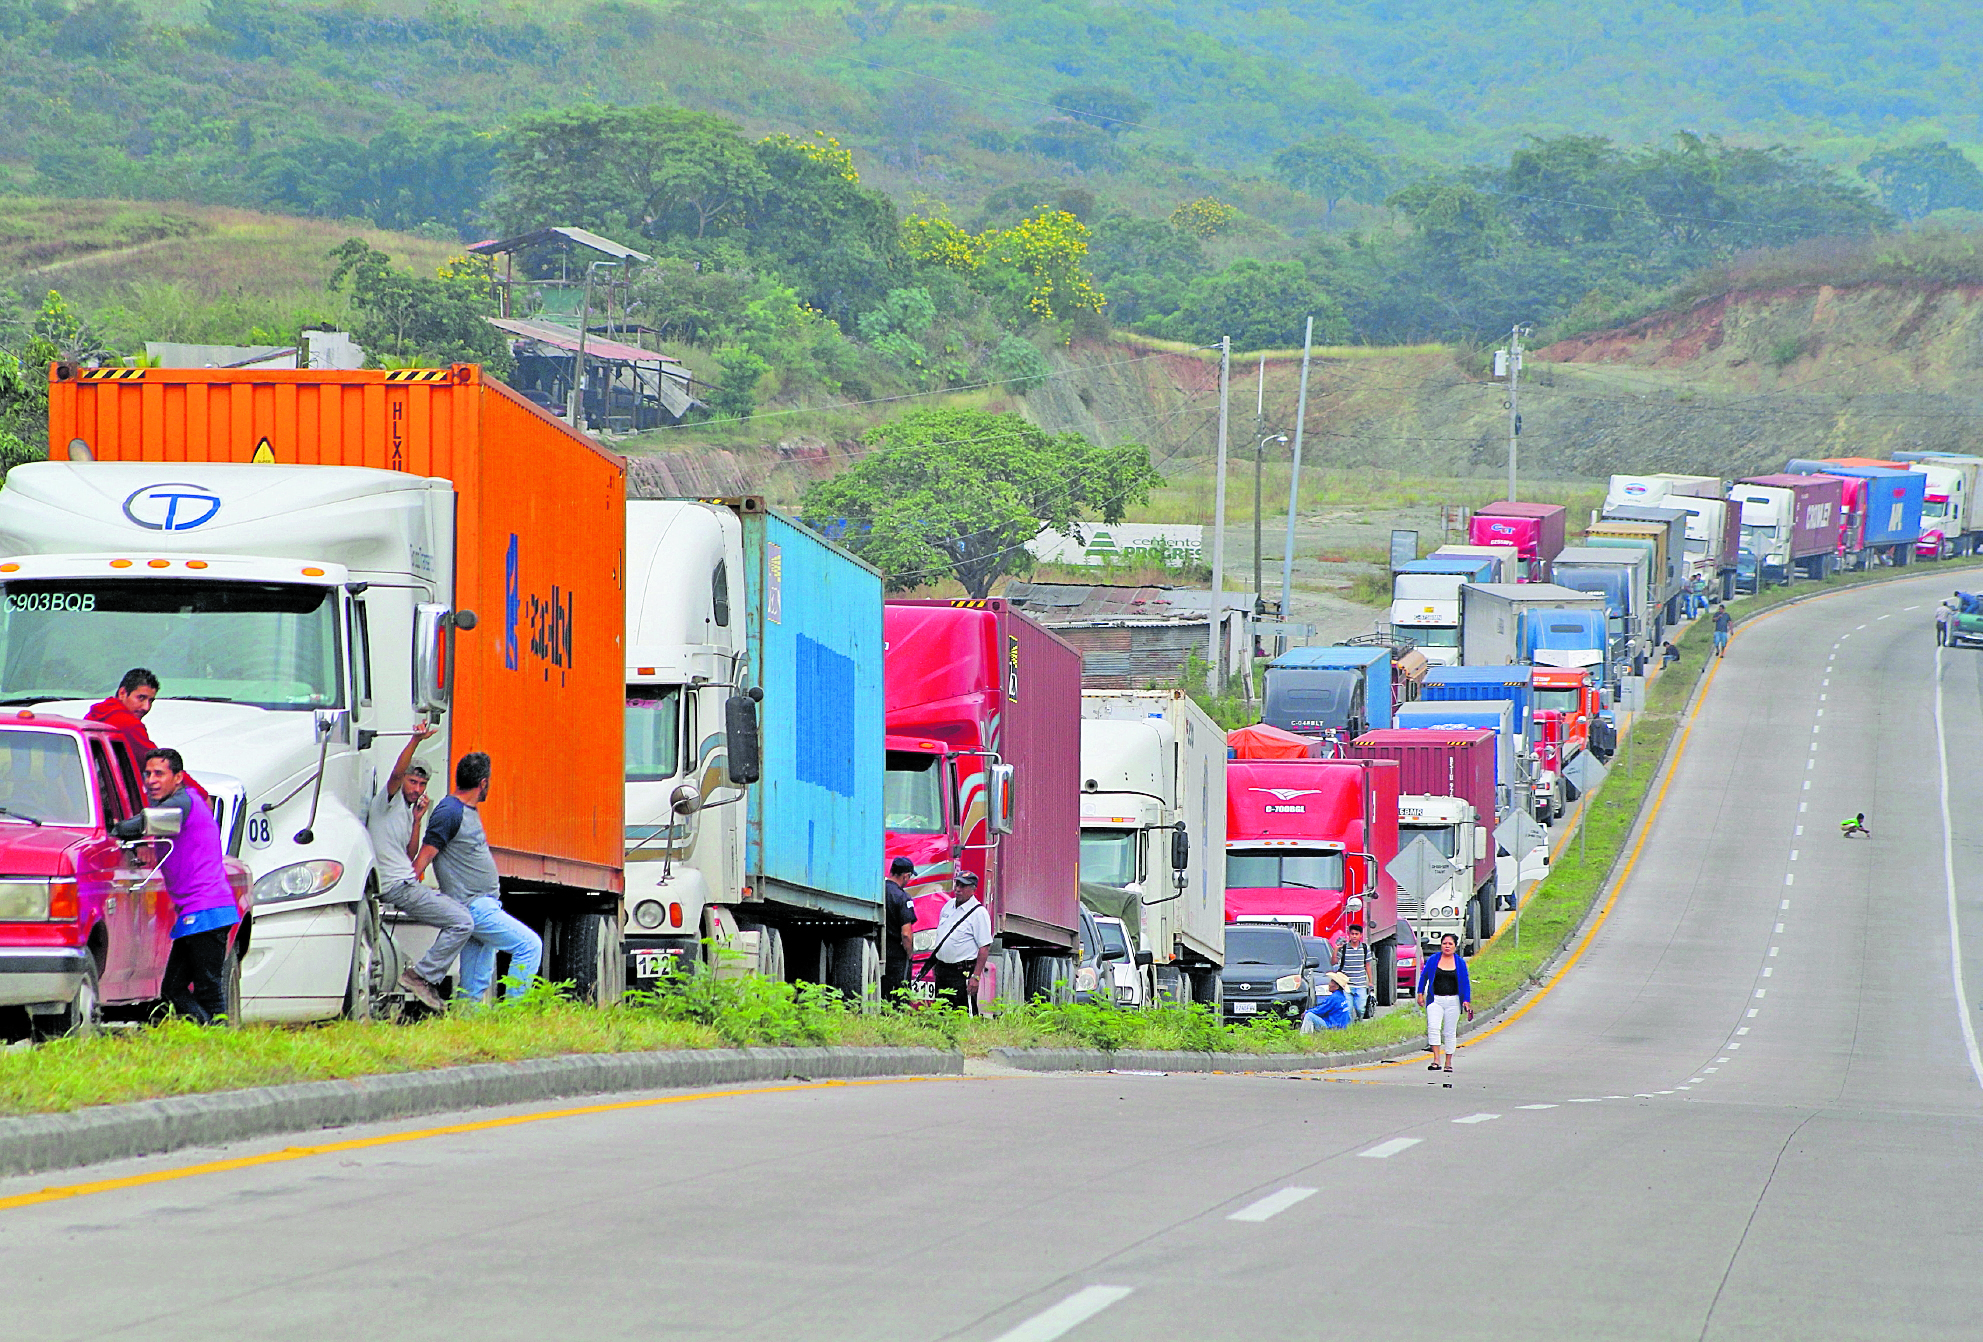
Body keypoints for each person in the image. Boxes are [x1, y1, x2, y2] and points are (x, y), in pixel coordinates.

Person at [414, 751, 542, 1004]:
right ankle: (514, 1017)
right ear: (483, 783)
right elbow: (424, 856)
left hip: (480, 905)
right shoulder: (450, 811)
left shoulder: (465, 810)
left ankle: (469, 1025)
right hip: (473, 905)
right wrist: (409, 892)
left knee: (475, 984)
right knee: (529, 946)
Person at [366, 721, 471, 1013]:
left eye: (422, 785)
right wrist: (416, 739)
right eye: (413, 782)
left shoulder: (406, 812)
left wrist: (418, 820)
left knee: (462, 917)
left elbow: (411, 855)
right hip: (395, 885)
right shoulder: (386, 801)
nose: (417, 789)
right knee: (462, 921)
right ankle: (421, 977)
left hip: (406, 882)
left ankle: (421, 975)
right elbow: (397, 773)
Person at [132, 748, 240, 1024]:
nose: (151, 780)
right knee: (173, 988)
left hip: (206, 909)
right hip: (200, 910)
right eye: (147, 774)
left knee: (207, 990)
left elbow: (144, 822)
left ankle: (217, 1038)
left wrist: (113, 828)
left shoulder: (179, 803)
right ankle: (209, 1035)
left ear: (178, 777)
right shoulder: (187, 799)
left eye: (159, 773)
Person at [87, 668, 202, 797]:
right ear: (122, 693)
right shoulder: (128, 725)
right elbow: (159, 764)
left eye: (151, 701)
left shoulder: (96, 714)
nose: (146, 707)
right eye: (141, 698)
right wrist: (201, 796)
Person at [922, 871, 992, 1011]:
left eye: (963, 886)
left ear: (973, 890)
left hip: (962, 971)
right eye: (957, 884)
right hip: (942, 969)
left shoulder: (978, 913)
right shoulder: (948, 906)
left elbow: (984, 948)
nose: (958, 889)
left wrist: (976, 977)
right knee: (941, 1010)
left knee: (963, 1010)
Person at [1415, 933, 1473, 1074]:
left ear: (1455, 946)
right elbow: (1424, 976)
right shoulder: (1434, 959)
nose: (1447, 946)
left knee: (1449, 1032)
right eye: (1444, 943)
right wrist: (1420, 993)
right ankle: (1436, 1060)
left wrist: (1466, 1000)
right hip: (1435, 1000)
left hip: (1453, 1001)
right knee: (1433, 1028)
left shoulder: (1460, 963)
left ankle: (1448, 1061)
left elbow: (1465, 982)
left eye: (1450, 944)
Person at [880, 856, 917, 1002]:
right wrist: (909, 954)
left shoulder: (879, 891)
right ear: (905, 876)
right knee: (898, 996)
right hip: (896, 956)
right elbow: (906, 934)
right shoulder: (903, 898)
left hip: (879, 950)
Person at [1334, 922, 1372, 1020]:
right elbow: (1333, 962)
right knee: (1348, 1009)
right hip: (1346, 985)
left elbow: (1367, 965)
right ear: (1349, 935)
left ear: (1360, 935)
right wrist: (1335, 950)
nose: (1354, 936)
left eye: (1356, 934)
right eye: (1352, 934)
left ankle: (1358, 1022)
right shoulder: (1344, 948)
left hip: (1360, 984)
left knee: (1360, 1009)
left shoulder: (1364, 948)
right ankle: (1349, 1028)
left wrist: (1370, 981)